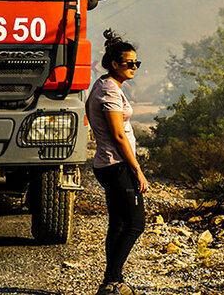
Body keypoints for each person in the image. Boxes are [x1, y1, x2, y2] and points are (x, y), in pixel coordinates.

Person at [86, 29, 149, 295]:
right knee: (135, 223)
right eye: (129, 63)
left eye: (136, 63)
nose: (133, 67)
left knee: (119, 223)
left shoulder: (104, 85)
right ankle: (112, 279)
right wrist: (137, 169)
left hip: (108, 164)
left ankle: (111, 281)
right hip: (117, 165)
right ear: (115, 63)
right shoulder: (109, 91)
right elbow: (118, 135)